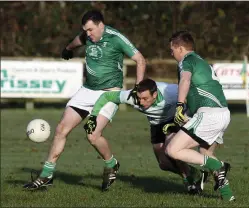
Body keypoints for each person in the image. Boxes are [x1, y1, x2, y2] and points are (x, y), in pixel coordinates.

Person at [23, 10, 146, 191]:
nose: (88, 34)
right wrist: (68, 48)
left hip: (109, 93)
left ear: (100, 25)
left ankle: (111, 164)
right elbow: (78, 40)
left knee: (93, 135)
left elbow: (140, 60)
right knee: (61, 129)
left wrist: (138, 88)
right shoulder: (87, 36)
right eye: (85, 31)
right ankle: (46, 175)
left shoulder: (116, 37)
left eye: (90, 30)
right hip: (87, 90)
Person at [84, 78, 208, 194]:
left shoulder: (171, 92)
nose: (141, 102)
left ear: (155, 95)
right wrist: (93, 116)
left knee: (172, 149)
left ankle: (189, 182)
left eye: (145, 98)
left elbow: (193, 97)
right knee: (164, 164)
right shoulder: (132, 97)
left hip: (176, 120)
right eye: (139, 98)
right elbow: (106, 96)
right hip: (156, 125)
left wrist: (189, 118)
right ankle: (194, 173)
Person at [164, 30, 235, 201]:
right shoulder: (202, 62)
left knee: (172, 150)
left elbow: (185, 80)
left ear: (180, 48)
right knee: (204, 152)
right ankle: (228, 195)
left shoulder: (186, 61)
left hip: (209, 115)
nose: (171, 54)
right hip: (223, 114)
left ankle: (218, 165)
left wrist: (179, 106)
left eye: (171, 50)